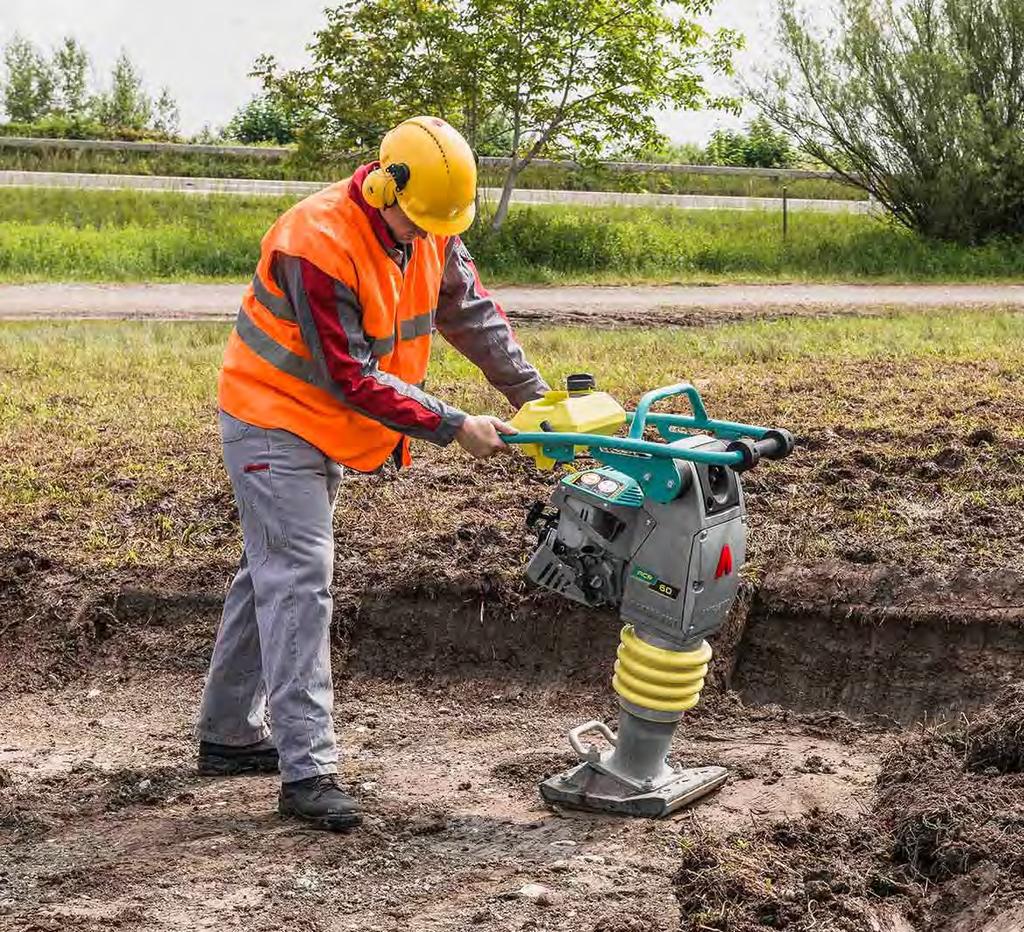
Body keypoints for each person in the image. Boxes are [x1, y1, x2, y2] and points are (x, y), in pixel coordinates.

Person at [194, 116, 548, 830]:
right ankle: (309, 771)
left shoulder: (435, 225)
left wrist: (536, 398)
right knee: (299, 578)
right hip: (273, 415)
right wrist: (454, 424)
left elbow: (472, 314)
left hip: (330, 423)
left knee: (271, 568)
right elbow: (350, 373)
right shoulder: (314, 242)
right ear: (383, 183)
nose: (423, 236)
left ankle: (229, 734)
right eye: (414, 221)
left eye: (437, 226)